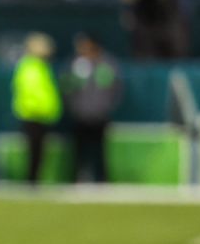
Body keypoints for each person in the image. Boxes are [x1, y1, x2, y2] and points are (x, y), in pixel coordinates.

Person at [64, 34, 121, 183]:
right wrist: (75, 108)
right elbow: (68, 88)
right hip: (80, 115)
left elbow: (115, 89)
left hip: (100, 116)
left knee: (100, 152)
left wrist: (105, 108)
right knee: (78, 152)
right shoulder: (76, 64)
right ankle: (76, 180)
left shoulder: (107, 64)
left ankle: (102, 181)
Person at [12, 33, 62, 184]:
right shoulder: (30, 67)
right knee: (34, 151)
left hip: (41, 115)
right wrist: (42, 110)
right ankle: (32, 180)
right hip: (33, 115)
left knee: (39, 152)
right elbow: (34, 92)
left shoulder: (41, 67)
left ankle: (34, 179)